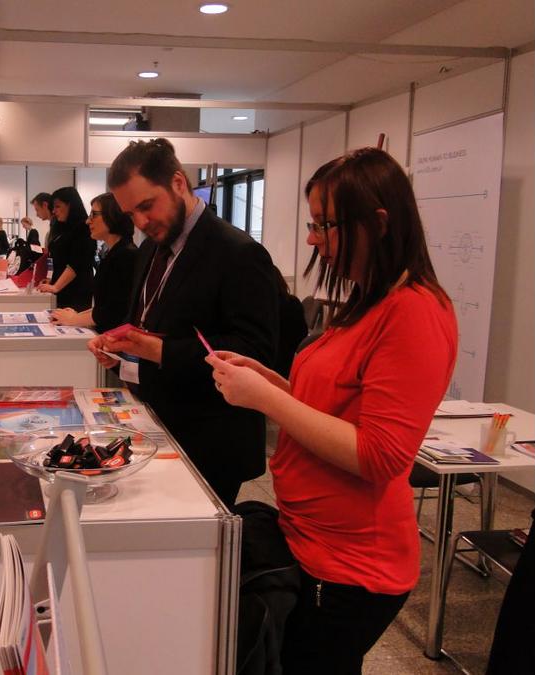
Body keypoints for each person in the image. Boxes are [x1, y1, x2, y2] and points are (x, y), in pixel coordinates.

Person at [205, 147, 458, 673]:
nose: (312, 239)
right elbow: (333, 406)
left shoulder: (413, 312)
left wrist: (267, 398)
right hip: (312, 540)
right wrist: (270, 380)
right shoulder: (370, 300)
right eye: (312, 223)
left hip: (351, 564)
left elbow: (380, 455)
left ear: (378, 224)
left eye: (324, 225)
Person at [87, 138, 280, 507]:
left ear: (178, 183)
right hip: (156, 425)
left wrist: (161, 351)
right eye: (131, 214)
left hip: (211, 439)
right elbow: (144, 318)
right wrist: (119, 347)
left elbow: (255, 353)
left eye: (147, 206)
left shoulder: (238, 253)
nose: (141, 222)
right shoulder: (150, 247)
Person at [49, 192, 137, 333]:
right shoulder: (114, 253)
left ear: (112, 215)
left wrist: (73, 319)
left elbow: (111, 312)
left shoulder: (124, 256)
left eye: (94, 215)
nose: (88, 221)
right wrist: (76, 316)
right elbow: (104, 306)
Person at [37, 186, 95, 310]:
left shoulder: (83, 228)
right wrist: (52, 280)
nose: (54, 211)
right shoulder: (61, 227)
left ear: (70, 205)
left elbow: (76, 264)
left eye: (58, 206)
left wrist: (56, 286)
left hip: (76, 290)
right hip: (61, 288)